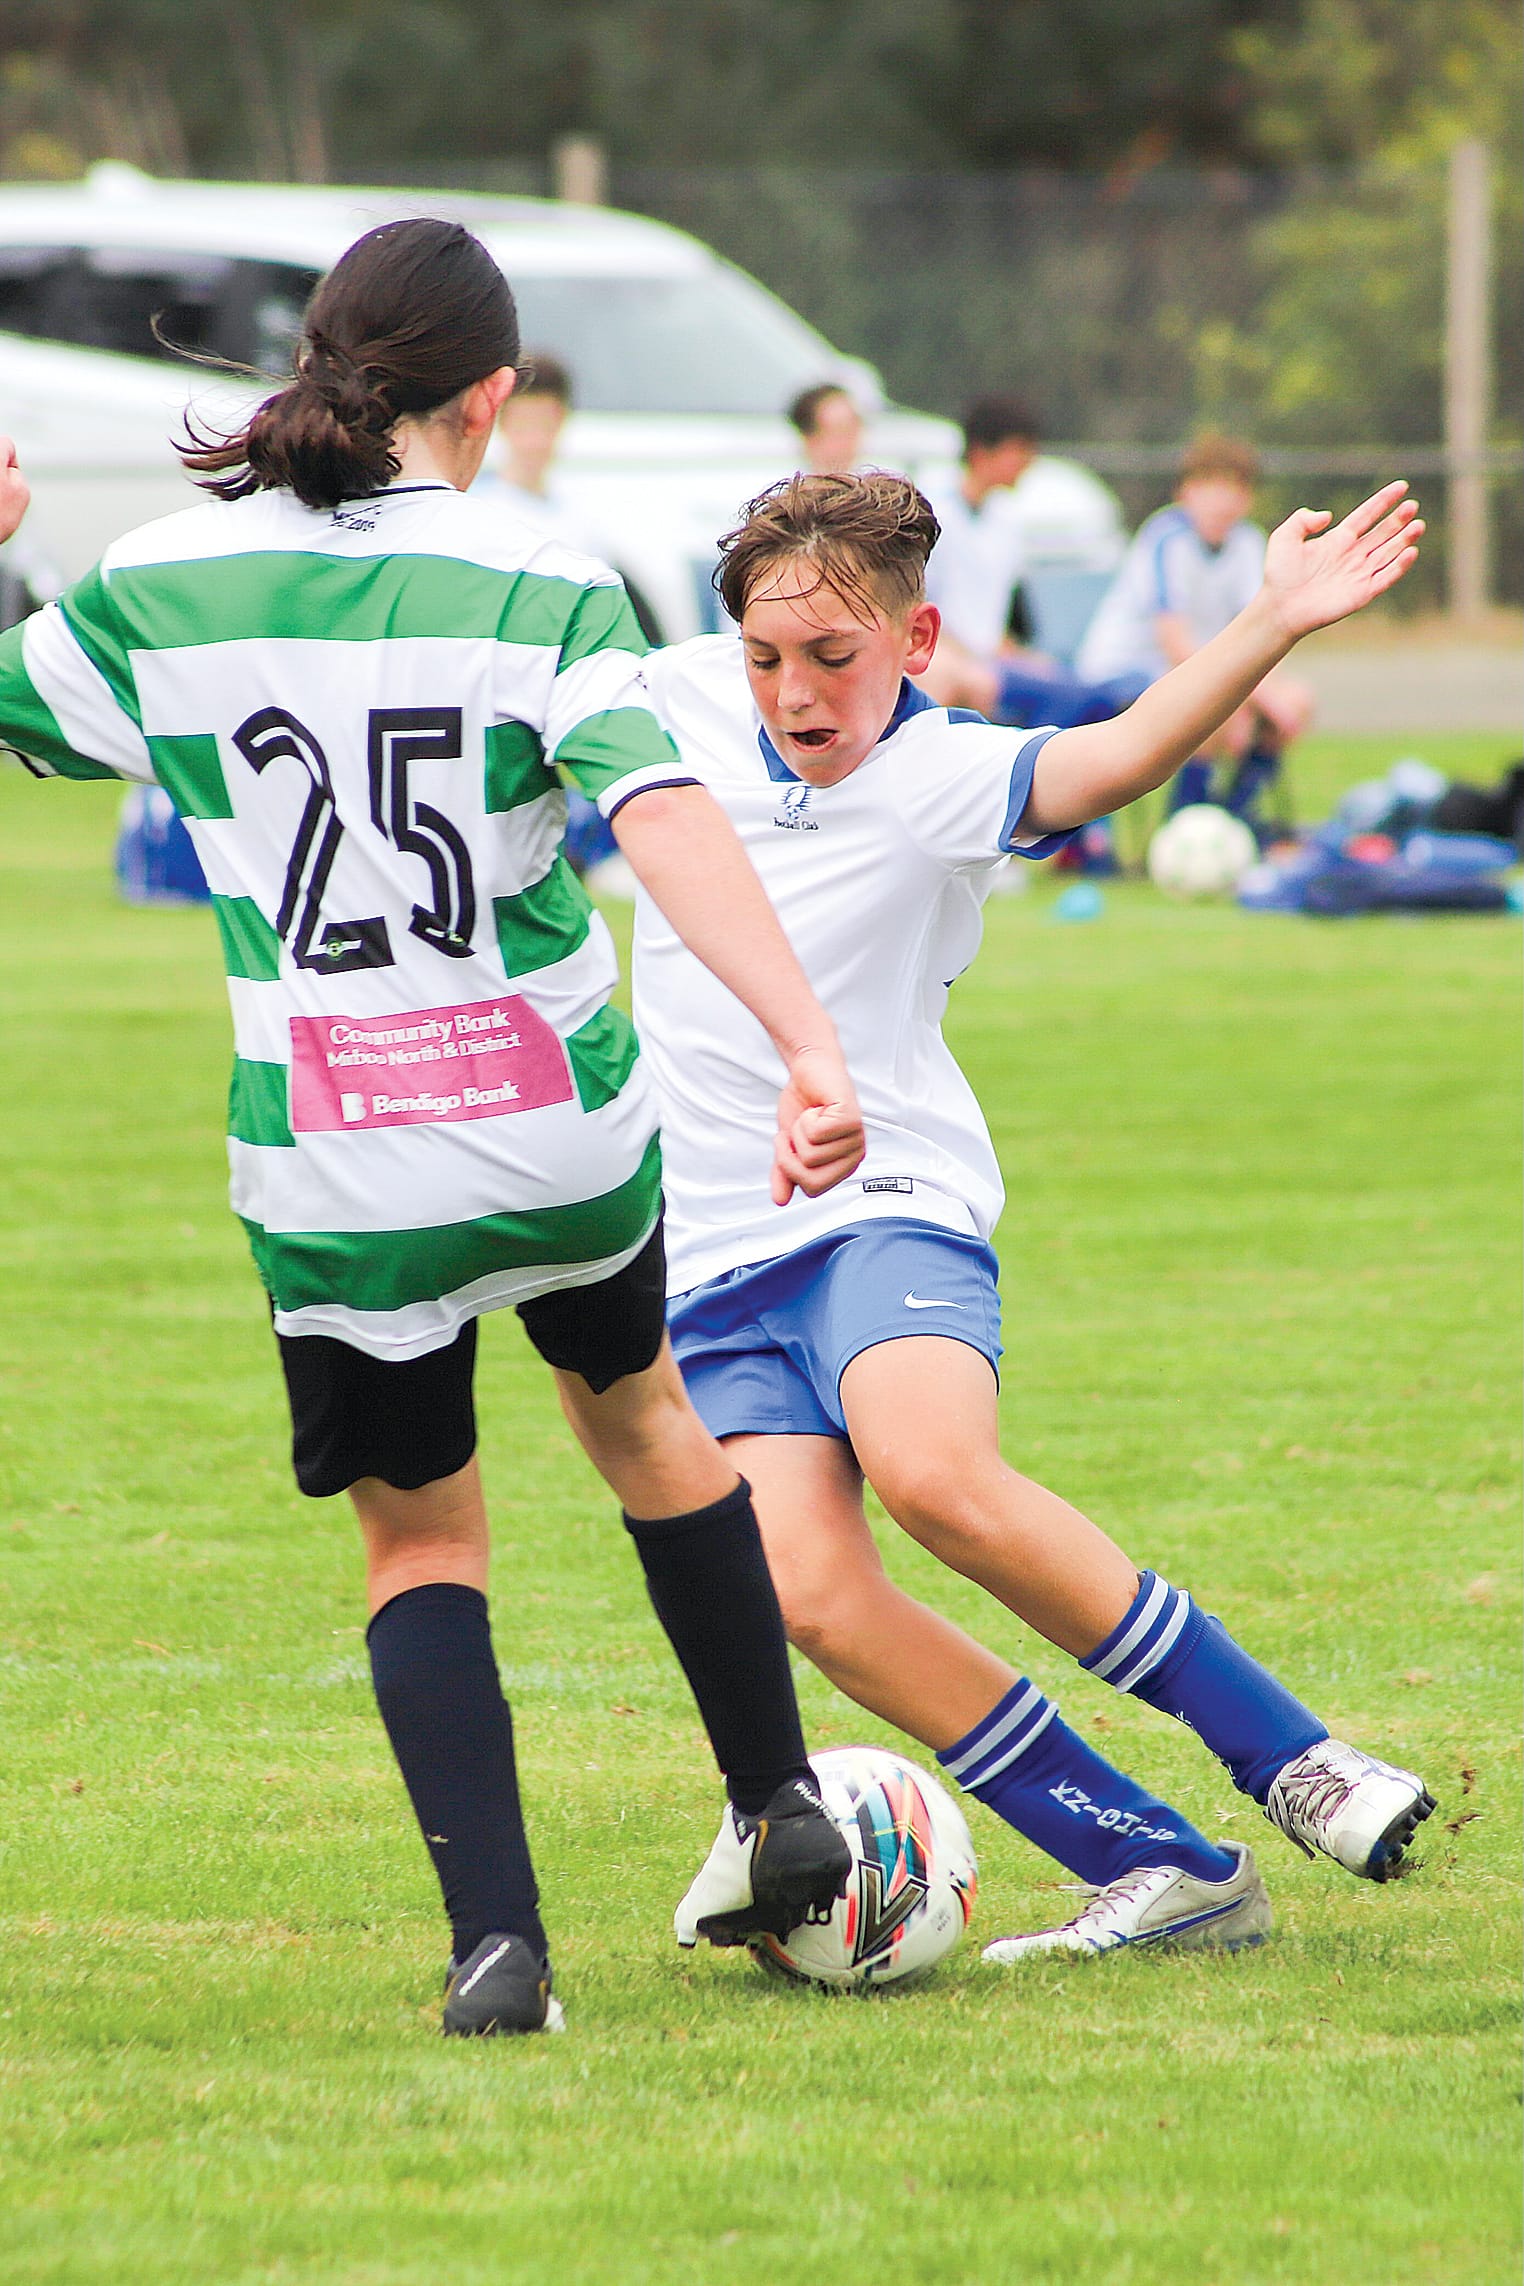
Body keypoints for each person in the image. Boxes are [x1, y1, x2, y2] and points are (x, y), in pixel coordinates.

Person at [0, 220, 871, 2037]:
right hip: (557, 1130)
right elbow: (661, 817)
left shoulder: (163, 579)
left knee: (420, 1544)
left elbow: (28, 704)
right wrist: (807, 1043)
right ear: (491, 393)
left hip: (338, 1159)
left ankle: (499, 1951)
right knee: (646, 1423)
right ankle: (780, 1804)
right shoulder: (542, 574)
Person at [635, 471, 1436, 1963]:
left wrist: (1270, 620)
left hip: (884, 1206)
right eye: (766, 656)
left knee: (934, 1474)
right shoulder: (663, 704)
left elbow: (1118, 752)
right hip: (709, 1253)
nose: (794, 692)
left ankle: (1299, 1760)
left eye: (834, 656)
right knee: (811, 1594)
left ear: (918, 638)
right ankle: (1165, 1868)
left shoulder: (942, 773)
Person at [1078, 432, 1314, 821]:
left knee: (1295, 701)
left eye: (1233, 489)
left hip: (1199, 669)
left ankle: (1235, 818)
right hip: (1127, 670)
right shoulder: (1165, 539)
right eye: (1209, 488)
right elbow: (1175, 645)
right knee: (1213, 710)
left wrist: (1268, 695)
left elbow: (1263, 633)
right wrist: (1252, 697)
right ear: (1185, 493)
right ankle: (1184, 822)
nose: (1221, 502)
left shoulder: (1249, 543)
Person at [918, 395, 1137, 736]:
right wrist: (968, 660)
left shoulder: (1005, 520)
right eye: (1018, 451)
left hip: (994, 658)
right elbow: (922, 606)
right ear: (982, 453)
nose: (1026, 462)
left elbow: (989, 620)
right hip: (954, 658)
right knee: (1068, 700)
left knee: (1093, 694)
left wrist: (1025, 658)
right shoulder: (935, 515)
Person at [787, 382, 866, 479]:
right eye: (839, 430)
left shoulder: (873, 483)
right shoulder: (787, 484)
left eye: (853, 428)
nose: (850, 441)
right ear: (809, 438)